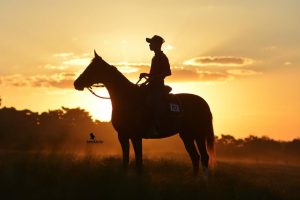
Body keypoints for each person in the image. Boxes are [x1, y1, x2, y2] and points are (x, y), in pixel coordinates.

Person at [140, 35, 171, 135]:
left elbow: (168, 72)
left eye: (151, 43)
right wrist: (147, 75)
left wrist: (155, 77)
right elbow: (153, 74)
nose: (149, 45)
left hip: (158, 87)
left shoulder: (162, 57)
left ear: (157, 45)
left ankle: (154, 125)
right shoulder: (155, 57)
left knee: (152, 101)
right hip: (152, 85)